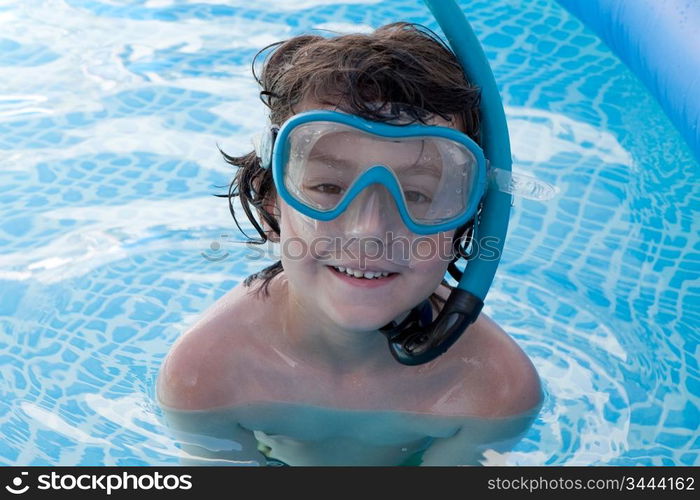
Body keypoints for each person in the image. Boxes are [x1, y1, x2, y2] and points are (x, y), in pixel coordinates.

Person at [156, 22, 542, 466]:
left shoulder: (492, 390)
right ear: (271, 202)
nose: (369, 231)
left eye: (417, 194)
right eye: (328, 186)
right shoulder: (207, 373)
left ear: (466, 222)